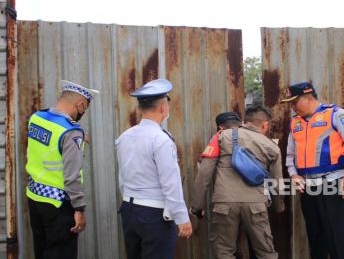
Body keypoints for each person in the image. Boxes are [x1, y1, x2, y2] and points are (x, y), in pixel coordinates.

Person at [281, 82, 344, 259]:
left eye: (294, 102)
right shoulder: (295, 123)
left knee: (339, 239)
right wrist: (294, 174)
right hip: (308, 188)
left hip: (334, 184)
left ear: (308, 97)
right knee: (316, 238)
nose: (292, 107)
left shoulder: (335, 115)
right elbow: (289, 155)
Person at [191, 106, 285, 259]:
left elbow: (204, 172)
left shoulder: (222, 136)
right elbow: (277, 182)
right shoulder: (271, 146)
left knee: (224, 252)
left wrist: (197, 205)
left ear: (244, 121)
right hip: (256, 204)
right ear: (265, 125)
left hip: (224, 204)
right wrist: (278, 206)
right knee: (266, 253)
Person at [116, 79, 192, 259]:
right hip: (154, 214)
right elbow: (170, 183)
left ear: (140, 108)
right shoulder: (161, 140)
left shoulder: (125, 136)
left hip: (129, 209)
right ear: (163, 108)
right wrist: (182, 217)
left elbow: (122, 177)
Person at [26, 80, 98, 259]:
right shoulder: (71, 131)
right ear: (80, 104)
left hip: (35, 197)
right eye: (85, 109)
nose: (82, 113)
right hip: (58, 205)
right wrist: (79, 209)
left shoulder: (36, 118)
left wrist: (78, 138)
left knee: (42, 251)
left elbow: (49, 144)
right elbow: (72, 176)